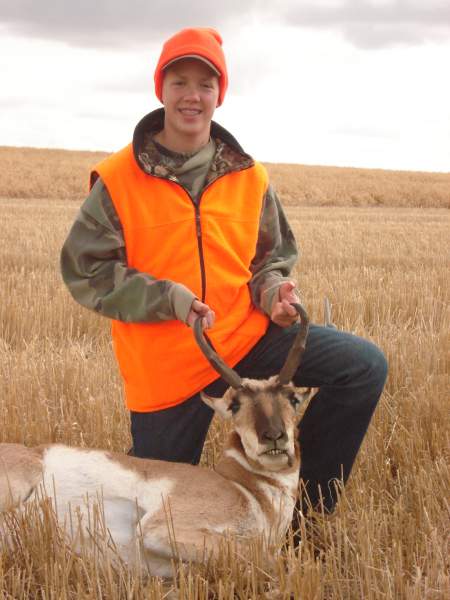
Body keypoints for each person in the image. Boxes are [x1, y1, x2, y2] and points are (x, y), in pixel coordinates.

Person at [61, 27, 387, 520]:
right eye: (179, 82)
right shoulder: (119, 180)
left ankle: (303, 516)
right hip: (165, 368)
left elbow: (270, 258)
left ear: (220, 94)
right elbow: (85, 270)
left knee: (363, 366)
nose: (192, 95)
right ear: (160, 89)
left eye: (205, 84)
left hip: (245, 341)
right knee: (158, 517)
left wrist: (275, 292)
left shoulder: (249, 176)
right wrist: (165, 297)